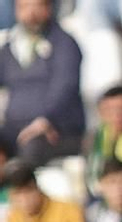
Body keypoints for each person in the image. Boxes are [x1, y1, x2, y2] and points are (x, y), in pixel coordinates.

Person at [0, 0, 85, 165]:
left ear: (49, 7)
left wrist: (46, 118)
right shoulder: (9, 47)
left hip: (56, 130)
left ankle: (26, 190)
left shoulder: (64, 44)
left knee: (32, 147)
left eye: (37, 5)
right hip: (15, 127)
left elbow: (65, 88)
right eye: (24, 7)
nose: (31, 13)